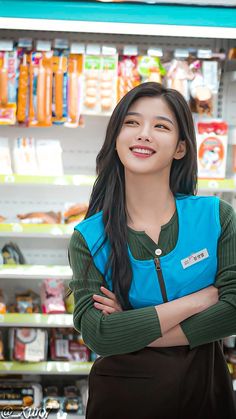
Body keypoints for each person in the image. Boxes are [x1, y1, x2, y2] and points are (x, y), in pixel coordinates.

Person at [68, 82, 236, 419]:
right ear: (116, 139)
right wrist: (198, 300)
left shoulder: (215, 217)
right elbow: (99, 334)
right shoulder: (89, 237)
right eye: (131, 123)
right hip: (122, 401)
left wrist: (129, 329)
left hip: (207, 398)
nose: (144, 134)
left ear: (180, 148)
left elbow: (232, 311)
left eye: (161, 126)